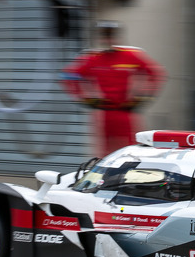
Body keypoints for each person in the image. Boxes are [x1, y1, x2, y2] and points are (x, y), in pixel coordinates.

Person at [61, 22, 165, 158]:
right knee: (104, 153)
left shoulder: (129, 56)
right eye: (105, 35)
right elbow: (68, 76)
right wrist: (84, 98)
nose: (108, 39)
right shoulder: (93, 59)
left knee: (132, 149)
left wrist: (142, 97)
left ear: (116, 37)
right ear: (101, 38)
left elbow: (155, 73)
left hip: (125, 111)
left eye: (110, 35)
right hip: (104, 113)